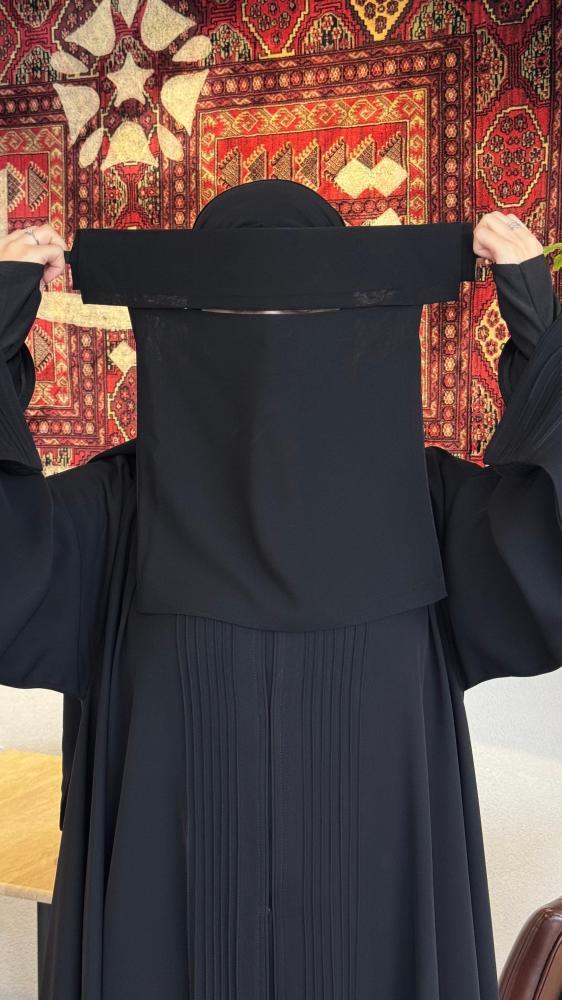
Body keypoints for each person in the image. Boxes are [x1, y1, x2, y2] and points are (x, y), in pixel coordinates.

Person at [0, 181, 561, 1000]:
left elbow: (548, 539)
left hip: (372, 932)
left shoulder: (427, 507)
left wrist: (539, 324)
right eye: (235, 308)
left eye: (301, 307)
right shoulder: (116, 513)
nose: (268, 335)